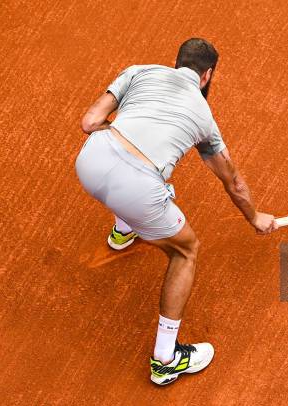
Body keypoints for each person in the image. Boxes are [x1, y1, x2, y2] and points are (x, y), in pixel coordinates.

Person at [75, 38, 277, 385]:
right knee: (186, 251)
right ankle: (166, 359)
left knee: (152, 185)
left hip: (88, 162)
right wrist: (255, 217)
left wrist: (125, 139)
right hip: (136, 189)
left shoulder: (137, 72)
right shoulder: (203, 116)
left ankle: (123, 232)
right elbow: (234, 183)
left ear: (177, 62)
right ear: (207, 74)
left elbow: (90, 122)